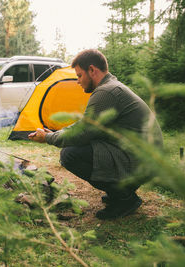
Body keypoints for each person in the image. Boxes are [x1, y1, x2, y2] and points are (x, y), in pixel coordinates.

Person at [28, 49, 163, 220]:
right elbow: (86, 125)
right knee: (80, 147)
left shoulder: (106, 92)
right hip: (140, 155)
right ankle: (120, 191)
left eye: (79, 75)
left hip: (142, 161)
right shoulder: (111, 87)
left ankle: (124, 198)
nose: (78, 81)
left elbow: (83, 132)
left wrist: (48, 138)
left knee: (70, 155)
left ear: (92, 70)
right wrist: (56, 133)